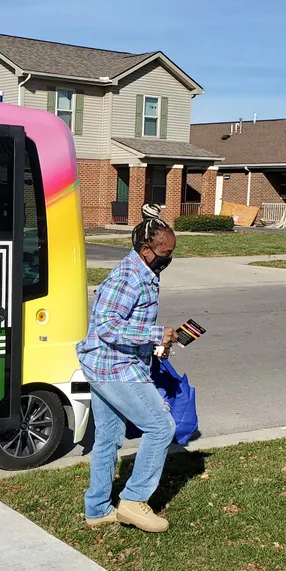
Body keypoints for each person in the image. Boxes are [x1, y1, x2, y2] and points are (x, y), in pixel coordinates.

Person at [76, 203, 179, 533]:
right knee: (161, 427)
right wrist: (153, 333)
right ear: (146, 249)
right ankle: (134, 502)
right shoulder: (127, 277)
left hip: (112, 363)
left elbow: (125, 325)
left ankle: (97, 509)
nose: (169, 258)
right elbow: (105, 325)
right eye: (165, 252)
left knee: (108, 437)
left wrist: (154, 345)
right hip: (114, 368)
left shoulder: (145, 273)